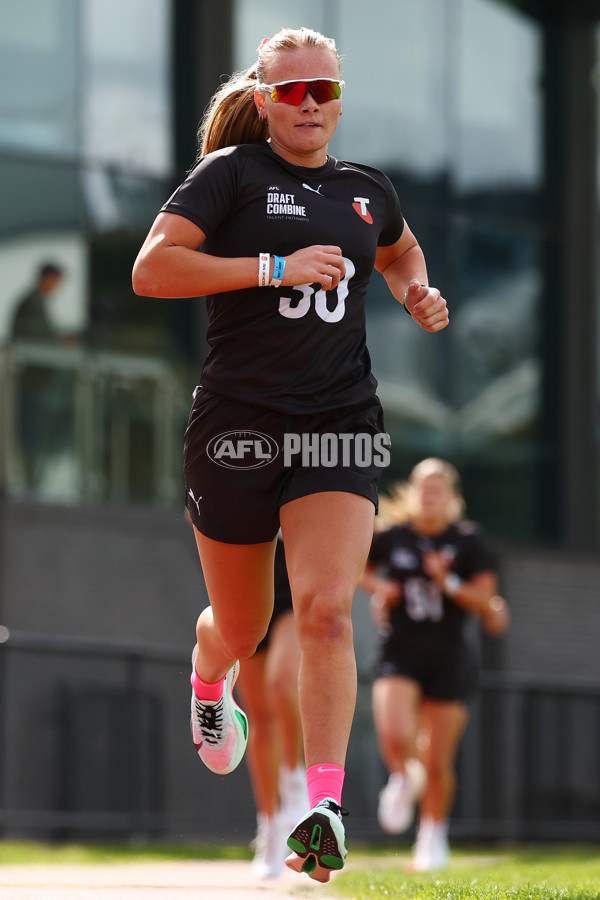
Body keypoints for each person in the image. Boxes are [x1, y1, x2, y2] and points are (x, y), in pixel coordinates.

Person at [132, 26, 449, 882]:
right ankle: (208, 679)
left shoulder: (365, 189)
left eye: (325, 90)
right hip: (237, 423)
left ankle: (324, 808)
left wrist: (412, 288)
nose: (311, 105)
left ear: (341, 96)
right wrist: (271, 266)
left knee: (321, 611)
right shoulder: (230, 176)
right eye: (294, 91)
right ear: (267, 99)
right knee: (242, 625)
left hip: (338, 419)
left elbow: (398, 247)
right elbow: (153, 271)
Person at [359, 458, 510, 872]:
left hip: (449, 657)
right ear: (412, 493)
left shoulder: (467, 541)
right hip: (400, 651)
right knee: (394, 734)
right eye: (423, 487)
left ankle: (432, 834)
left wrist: (448, 582)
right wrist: (381, 587)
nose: (429, 495)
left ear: (452, 498)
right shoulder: (394, 537)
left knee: (439, 759)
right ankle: (403, 777)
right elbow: (359, 567)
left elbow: (490, 605)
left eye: (438, 488)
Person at [235, 533, 309, 879]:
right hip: (245, 581)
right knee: (260, 720)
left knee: (281, 686)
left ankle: (294, 781)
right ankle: (269, 826)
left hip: (293, 585)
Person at [10, 262, 64, 343]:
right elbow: (37, 335)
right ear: (45, 279)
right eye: (54, 280)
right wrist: (61, 340)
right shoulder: (33, 302)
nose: (56, 285)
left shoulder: (36, 299)